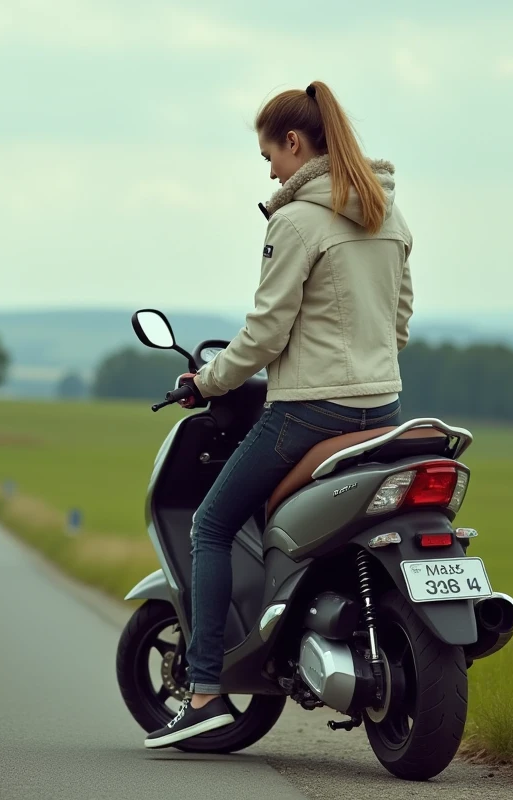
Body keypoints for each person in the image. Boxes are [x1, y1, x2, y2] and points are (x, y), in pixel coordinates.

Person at [144, 81, 414, 749]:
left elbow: (266, 332)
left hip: (309, 415)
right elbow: (398, 320)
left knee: (211, 524)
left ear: (295, 143)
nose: (270, 173)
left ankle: (204, 691)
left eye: (270, 156)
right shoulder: (387, 213)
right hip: (383, 409)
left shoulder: (295, 221)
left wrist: (208, 381)